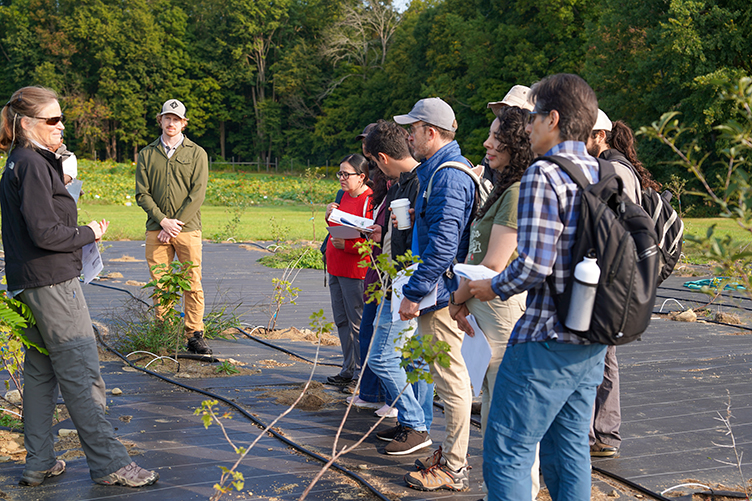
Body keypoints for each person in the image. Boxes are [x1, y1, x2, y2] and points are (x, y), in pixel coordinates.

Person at [0, 86, 159, 488]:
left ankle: (39, 461)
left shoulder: (19, 162)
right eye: (52, 120)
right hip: (52, 284)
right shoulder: (32, 164)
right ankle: (110, 464)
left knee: (39, 374)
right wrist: (87, 232)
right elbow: (45, 232)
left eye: (61, 118)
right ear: (26, 124)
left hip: (27, 283)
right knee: (82, 373)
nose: (61, 126)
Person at [469, 73, 608, 500]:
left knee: (508, 449)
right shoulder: (602, 173)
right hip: (593, 336)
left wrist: (489, 287)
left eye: (531, 117)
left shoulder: (544, 175)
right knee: (569, 454)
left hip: (545, 339)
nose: (525, 126)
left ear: (553, 118)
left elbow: (532, 267)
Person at [448, 105, 540, 499]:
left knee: (505, 417)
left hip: (501, 314)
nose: (486, 143)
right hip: (484, 310)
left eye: (496, 137)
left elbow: (493, 263)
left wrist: (457, 298)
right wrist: (466, 299)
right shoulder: (505, 187)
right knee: (493, 410)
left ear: (517, 145)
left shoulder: (518, 192)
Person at [392, 97, 475, 491]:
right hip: (438, 293)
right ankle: (451, 455)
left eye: (413, 128)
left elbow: (444, 246)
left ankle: (455, 468)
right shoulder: (435, 172)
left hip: (439, 296)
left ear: (432, 132)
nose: (408, 135)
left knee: (451, 381)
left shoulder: (448, 176)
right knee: (445, 380)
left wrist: (414, 291)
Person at [585, 110, 660, 459]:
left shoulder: (611, 170)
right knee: (606, 356)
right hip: (618, 273)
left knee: (602, 355)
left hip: (610, 274)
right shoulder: (618, 166)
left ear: (600, 136)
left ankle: (601, 432)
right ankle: (604, 433)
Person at [362, 119, 435, 456]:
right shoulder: (403, 183)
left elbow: (436, 236)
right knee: (413, 359)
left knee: (382, 358)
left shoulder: (420, 182)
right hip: (399, 278)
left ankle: (416, 423)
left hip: (410, 282)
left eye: (375, 162)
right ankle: (415, 423)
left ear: (383, 157)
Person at [135, 99, 210, 354]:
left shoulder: (197, 153)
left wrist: (174, 225)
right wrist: (163, 221)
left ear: (183, 123)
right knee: (161, 282)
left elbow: (197, 193)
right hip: (156, 228)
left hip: (187, 229)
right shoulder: (147, 154)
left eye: (176, 119)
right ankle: (164, 330)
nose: (171, 123)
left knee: (192, 281)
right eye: (167, 118)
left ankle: (194, 334)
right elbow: (142, 194)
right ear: (160, 120)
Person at [325, 154, 374, 386]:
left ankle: (361, 373)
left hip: (355, 270)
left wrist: (347, 246)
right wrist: (328, 216)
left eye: (347, 174)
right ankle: (347, 368)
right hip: (335, 267)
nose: (342, 179)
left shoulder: (370, 201)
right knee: (342, 320)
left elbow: (371, 241)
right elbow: (336, 229)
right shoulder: (342, 197)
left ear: (362, 176)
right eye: (340, 174)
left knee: (357, 322)